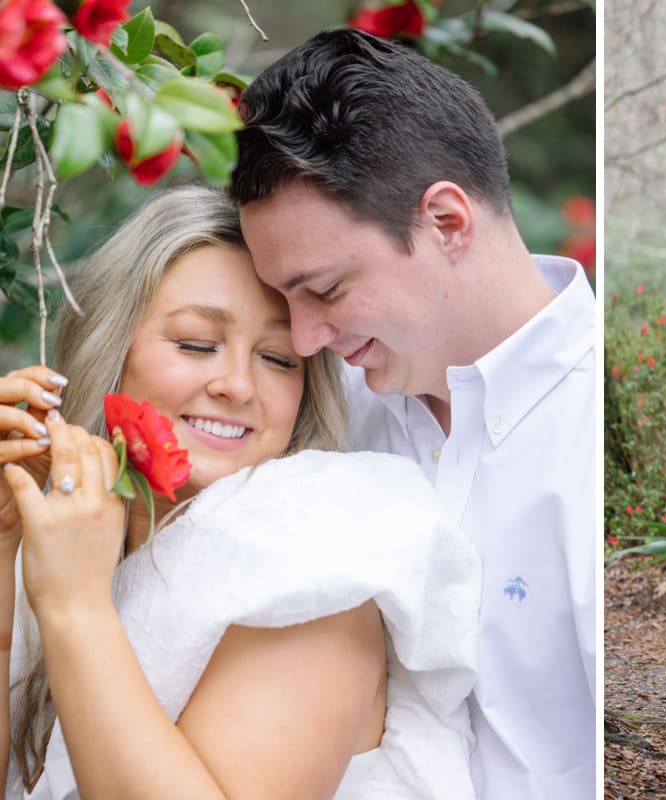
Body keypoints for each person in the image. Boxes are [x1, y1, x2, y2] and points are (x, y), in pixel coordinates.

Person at [0, 187, 481, 799]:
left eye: (278, 359)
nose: (236, 385)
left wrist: (75, 606)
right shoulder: (67, 533)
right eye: (197, 343)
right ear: (109, 350)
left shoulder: (315, 559)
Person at [229, 29, 596, 800]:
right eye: (284, 300)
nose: (304, 339)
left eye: (323, 290)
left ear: (447, 223)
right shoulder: (315, 406)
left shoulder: (596, 438)